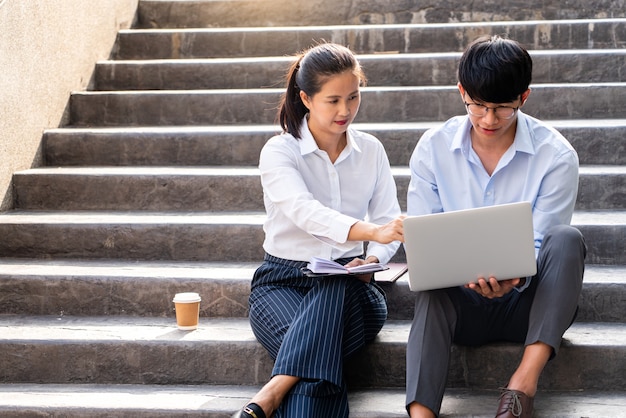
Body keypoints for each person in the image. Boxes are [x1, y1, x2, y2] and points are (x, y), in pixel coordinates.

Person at [405, 35, 586, 418]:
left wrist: (515, 278)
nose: (489, 119)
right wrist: (454, 271)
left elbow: (543, 243)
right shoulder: (433, 148)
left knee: (567, 239)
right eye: (478, 106)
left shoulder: (555, 155)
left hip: (531, 308)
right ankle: (421, 414)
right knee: (429, 286)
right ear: (461, 92)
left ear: (524, 97)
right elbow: (423, 239)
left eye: (502, 108)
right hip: (459, 307)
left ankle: (522, 384)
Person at [233, 42, 405, 418]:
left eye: (354, 97)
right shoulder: (280, 152)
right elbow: (304, 211)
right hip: (283, 282)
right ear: (306, 98)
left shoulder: (371, 151)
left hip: (353, 288)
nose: (346, 111)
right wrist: (370, 233)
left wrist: (373, 258)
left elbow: (390, 217)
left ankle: (272, 391)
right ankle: (278, 393)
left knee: (337, 283)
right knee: (318, 367)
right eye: (333, 101)